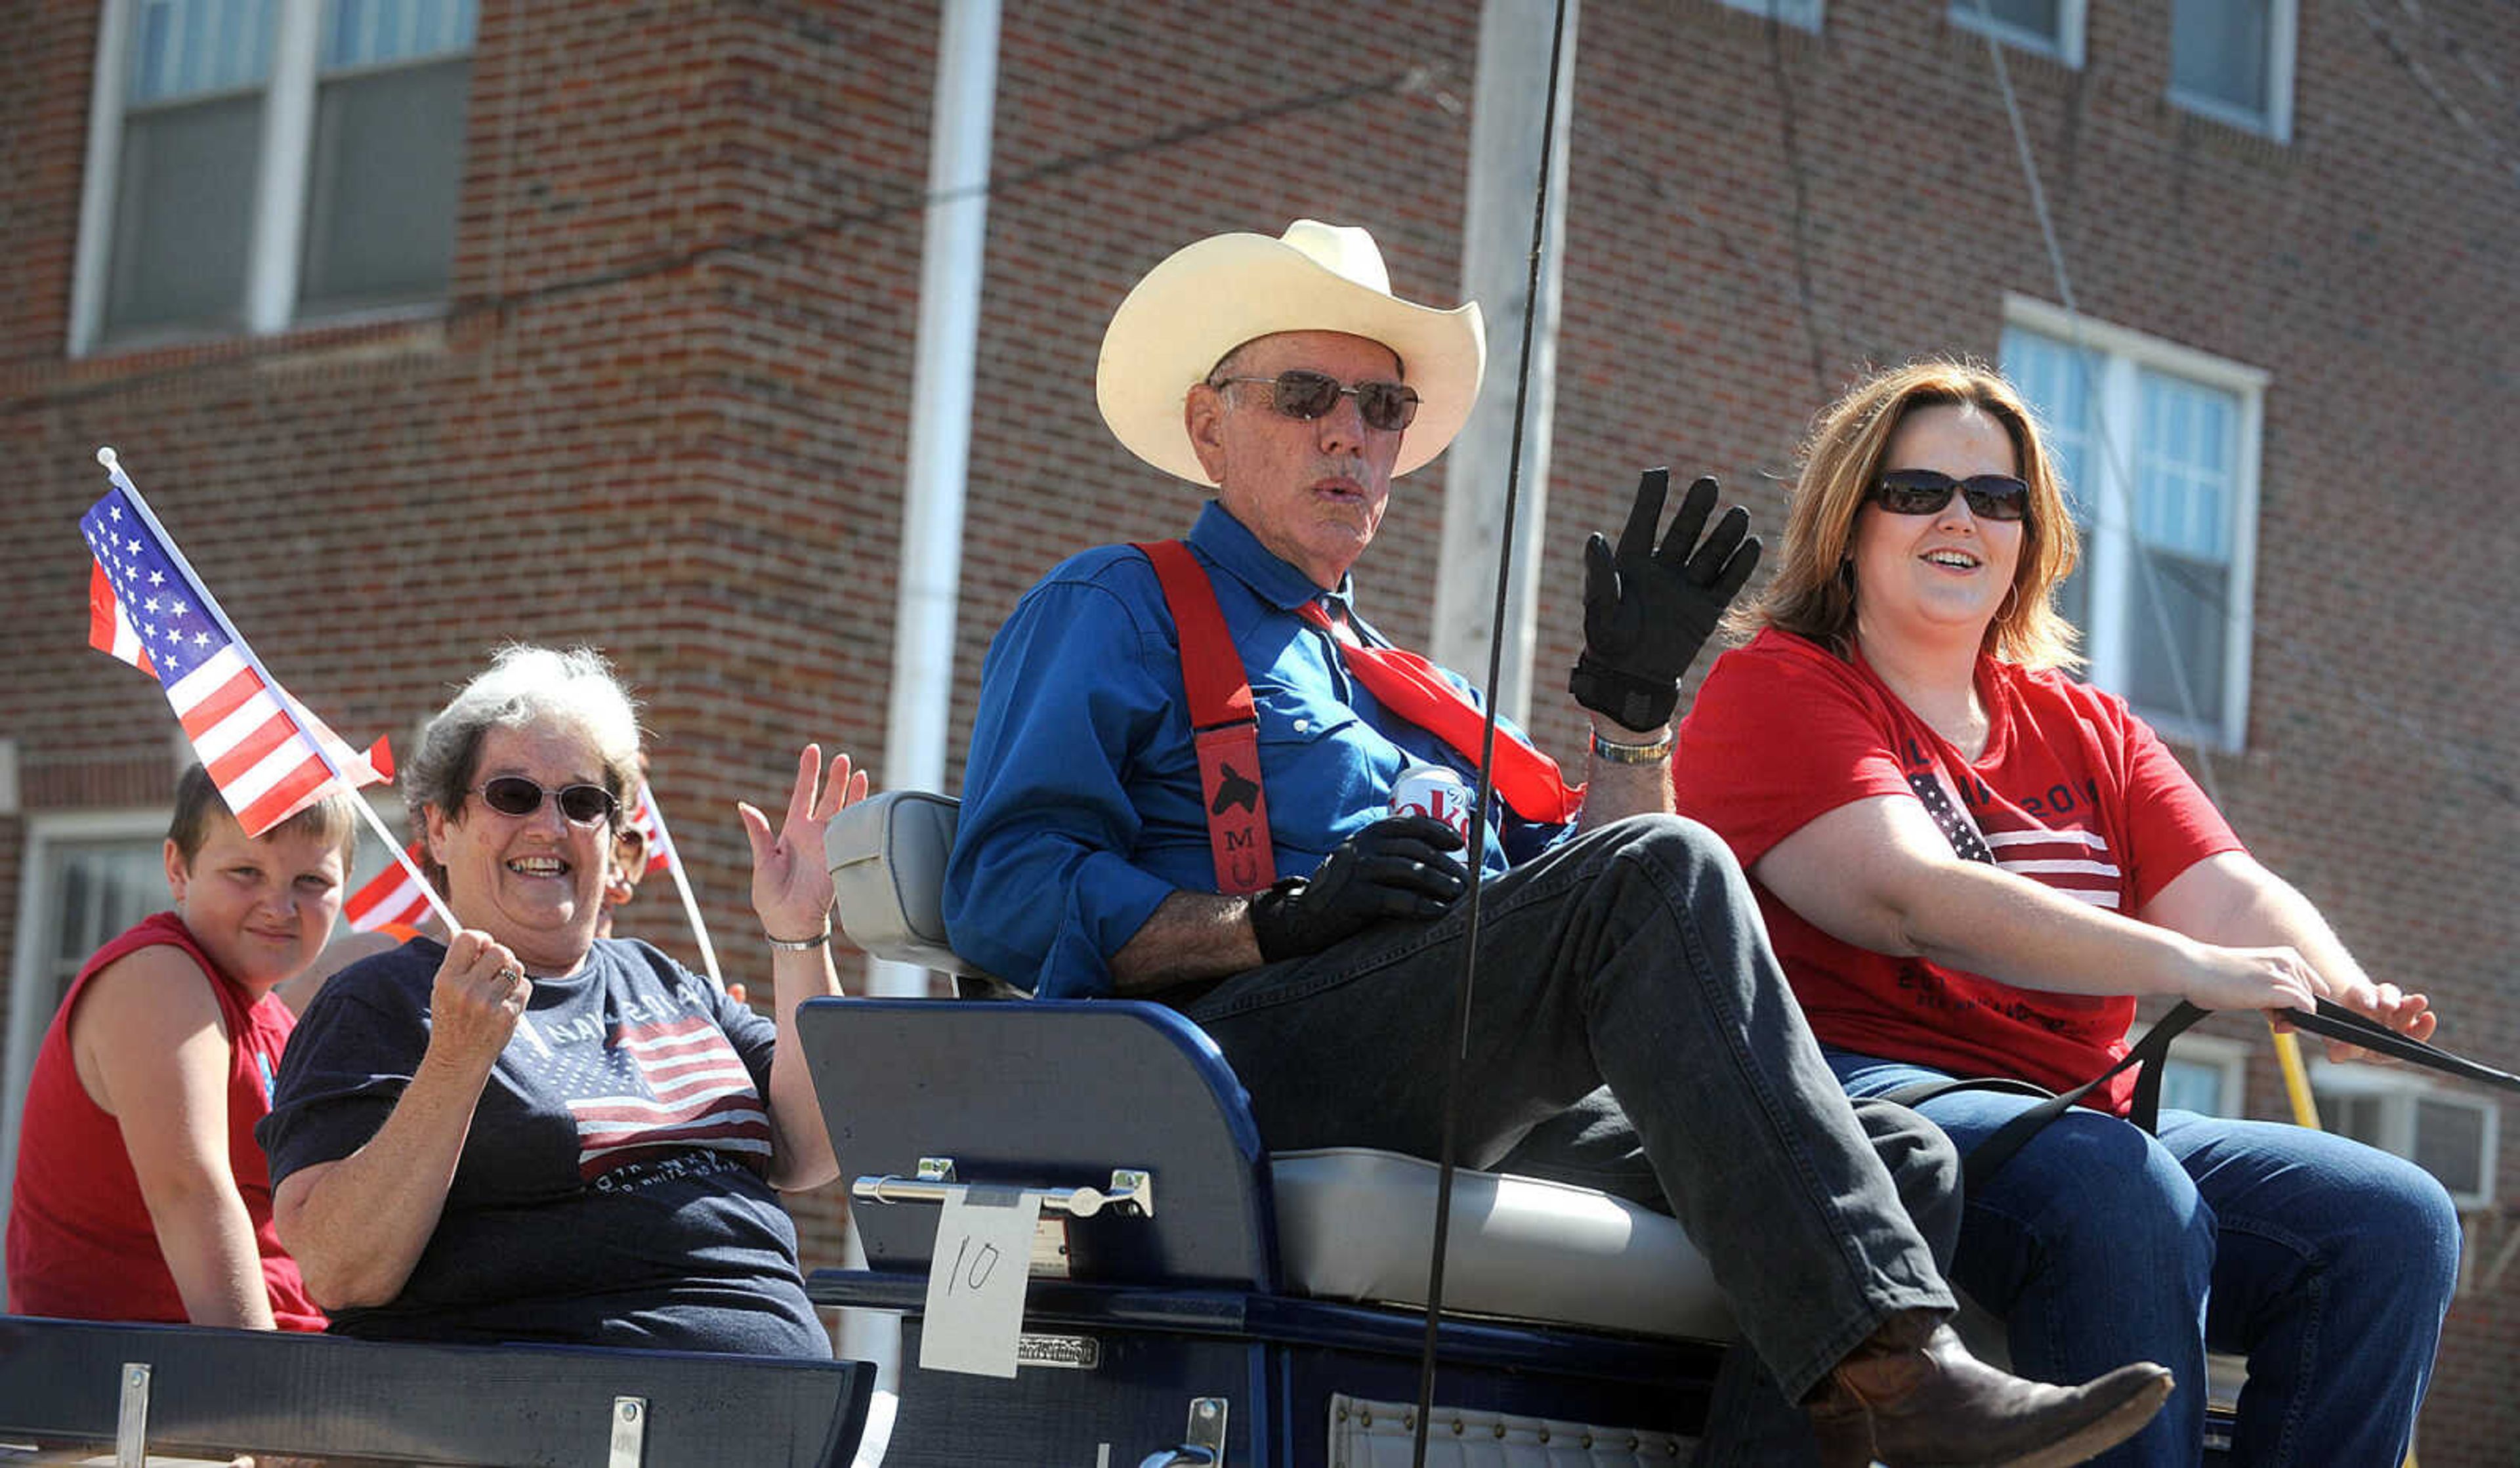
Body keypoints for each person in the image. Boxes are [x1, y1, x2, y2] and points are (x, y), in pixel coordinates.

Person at [943, 219, 2172, 1467]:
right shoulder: (1121, 603)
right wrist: (1272, 920)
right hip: (1232, 1063)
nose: (1349, 433)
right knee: (1672, 874)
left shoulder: (1426, 691)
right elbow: (1002, 887)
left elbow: (1603, 915)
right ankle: (1908, 1371)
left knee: (1901, 1157)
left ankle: (1880, 1375)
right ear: (1211, 427)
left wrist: (1634, 725)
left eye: (1382, 406)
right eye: (1307, 396)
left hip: (1454, 1063)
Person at [1672, 359, 2460, 1466]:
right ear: (1849, 523)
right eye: (1919, 491)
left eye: (1998, 499)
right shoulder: (1780, 686)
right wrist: (2194, 963)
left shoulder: (2088, 723)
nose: (1962, 518)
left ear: (2030, 538)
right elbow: (1911, 898)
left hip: (2079, 1110)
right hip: (1873, 1105)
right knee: (2118, 1186)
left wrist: (2342, 989)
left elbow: (2230, 889)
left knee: (2394, 1219)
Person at [257, 645, 863, 1353]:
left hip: (784, 1412)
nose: (550, 826)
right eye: (513, 795)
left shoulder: (665, 979)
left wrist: (798, 935)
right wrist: (455, 1061)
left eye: (582, 802)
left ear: (613, 835)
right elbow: (339, 1268)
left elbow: (811, 1149)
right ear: (440, 828)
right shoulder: (379, 999)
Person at [7, 764, 351, 1330]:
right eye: (245, 871)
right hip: (148, 1383)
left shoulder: (272, 1016)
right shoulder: (158, 974)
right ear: (178, 868)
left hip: (288, 1357)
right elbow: (190, 1193)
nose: (280, 906)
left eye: (311, 881)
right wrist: (267, 1391)